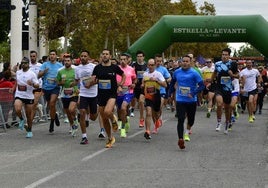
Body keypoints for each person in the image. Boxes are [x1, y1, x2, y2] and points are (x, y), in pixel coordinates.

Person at [92, 49, 126, 148]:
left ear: (110, 56)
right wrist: (91, 82)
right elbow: (94, 79)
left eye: (107, 54)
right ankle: (110, 138)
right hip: (101, 94)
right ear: (101, 56)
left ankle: (113, 118)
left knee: (107, 112)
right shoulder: (97, 68)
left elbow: (123, 75)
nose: (105, 56)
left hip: (112, 94)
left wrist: (120, 85)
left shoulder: (114, 67)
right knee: (104, 118)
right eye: (103, 54)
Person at [169, 55, 205, 149]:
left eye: (187, 61)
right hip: (180, 99)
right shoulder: (177, 72)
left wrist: (193, 93)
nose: (185, 63)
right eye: (183, 61)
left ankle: (187, 130)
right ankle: (180, 139)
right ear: (181, 62)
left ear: (190, 62)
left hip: (191, 100)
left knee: (191, 119)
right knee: (180, 119)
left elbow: (202, 86)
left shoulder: (194, 73)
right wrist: (169, 94)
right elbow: (172, 83)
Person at [70, 50, 98, 144]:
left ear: (88, 57)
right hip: (83, 94)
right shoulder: (77, 69)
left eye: (85, 56)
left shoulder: (93, 67)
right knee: (82, 112)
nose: (83, 58)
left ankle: (92, 113)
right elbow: (77, 80)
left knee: (93, 117)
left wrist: (90, 83)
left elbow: (98, 80)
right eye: (81, 56)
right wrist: (72, 84)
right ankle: (84, 137)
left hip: (93, 94)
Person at [210, 48, 239, 134]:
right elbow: (215, 73)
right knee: (219, 103)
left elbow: (238, 76)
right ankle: (219, 122)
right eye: (223, 54)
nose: (224, 56)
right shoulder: (217, 64)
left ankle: (227, 123)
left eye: (226, 55)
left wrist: (232, 74)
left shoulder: (233, 64)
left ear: (229, 55)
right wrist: (211, 80)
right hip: (219, 87)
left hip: (228, 89)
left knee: (227, 108)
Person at [13, 57, 39, 138]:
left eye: (25, 63)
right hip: (19, 95)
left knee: (29, 115)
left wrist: (32, 84)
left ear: (28, 64)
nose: (23, 64)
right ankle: (21, 119)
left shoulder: (32, 74)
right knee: (17, 108)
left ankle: (29, 130)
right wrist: (13, 89)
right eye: (22, 63)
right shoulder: (18, 72)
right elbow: (17, 81)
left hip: (28, 96)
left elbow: (37, 85)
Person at [141, 58, 167, 140]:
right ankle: (147, 131)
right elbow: (143, 83)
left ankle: (157, 120)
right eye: (149, 65)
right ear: (147, 65)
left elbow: (165, 85)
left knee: (156, 112)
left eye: (152, 65)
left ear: (155, 65)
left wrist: (156, 81)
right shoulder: (145, 74)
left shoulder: (158, 74)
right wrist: (142, 85)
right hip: (148, 96)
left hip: (156, 95)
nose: (150, 66)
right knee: (148, 112)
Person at [38, 50, 63, 133]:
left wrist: (59, 81)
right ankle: (54, 115)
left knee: (52, 103)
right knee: (50, 105)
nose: (52, 56)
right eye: (51, 54)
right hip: (46, 87)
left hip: (55, 87)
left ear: (56, 56)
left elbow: (62, 76)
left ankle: (51, 123)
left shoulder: (60, 65)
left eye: (53, 54)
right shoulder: (45, 64)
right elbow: (38, 75)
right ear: (49, 56)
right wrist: (44, 72)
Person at [56, 54, 79, 137]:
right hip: (64, 93)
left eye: (68, 61)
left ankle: (75, 118)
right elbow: (57, 82)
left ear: (71, 61)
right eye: (65, 61)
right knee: (68, 112)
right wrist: (61, 83)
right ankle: (72, 125)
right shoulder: (60, 71)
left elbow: (79, 80)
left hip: (74, 92)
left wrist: (76, 85)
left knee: (71, 109)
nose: (66, 62)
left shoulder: (76, 70)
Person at [116, 53, 136, 138]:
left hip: (128, 91)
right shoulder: (116, 69)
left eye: (124, 59)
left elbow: (135, 79)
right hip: (118, 91)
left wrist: (134, 84)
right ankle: (126, 120)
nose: (123, 61)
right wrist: (118, 86)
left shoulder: (131, 69)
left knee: (124, 107)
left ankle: (123, 129)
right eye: (121, 59)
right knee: (120, 109)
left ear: (128, 60)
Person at [154, 54, 171, 133]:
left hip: (161, 91)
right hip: (152, 91)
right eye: (157, 61)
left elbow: (170, 78)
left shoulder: (164, 69)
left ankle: (159, 117)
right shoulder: (150, 68)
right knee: (154, 110)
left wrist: (164, 81)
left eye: (160, 61)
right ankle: (156, 124)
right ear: (155, 61)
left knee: (159, 106)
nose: (159, 63)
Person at [130, 50, 147, 128]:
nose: (139, 58)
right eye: (138, 56)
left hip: (143, 86)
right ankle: (132, 109)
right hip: (134, 86)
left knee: (140, 101)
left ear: (143, 57)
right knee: (133, 100)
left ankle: (141, 118)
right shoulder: (133, 65)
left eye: (141, 56)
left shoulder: (146, 65)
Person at [29, 50, 45, 122]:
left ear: (36, 57)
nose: (32, 58)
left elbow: (43, 76)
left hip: (38, 87)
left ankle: (29, 121)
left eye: (34, 56)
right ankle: (38, 107)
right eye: (31, 56)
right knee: (30, 104)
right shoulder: (27, 65)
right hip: (29, 88)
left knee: (34, 103)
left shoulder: (40, 66)